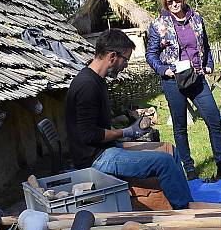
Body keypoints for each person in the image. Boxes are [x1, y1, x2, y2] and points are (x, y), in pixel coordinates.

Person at [65, 29, 192, 209]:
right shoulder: (87, 85)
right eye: (125, 60)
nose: (125, 65)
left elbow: (97, 126)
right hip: (95, 159)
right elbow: (89, 135)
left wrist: (126, 135)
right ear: (112, 56)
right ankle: (186, 211)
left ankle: (187, 200)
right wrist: (126, 132)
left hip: (105, 149)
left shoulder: (97, 80)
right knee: (164, 162)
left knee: (171, 150)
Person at [146, 0, 221, 180]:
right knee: (180, 126)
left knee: (214, 120)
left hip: (197, 77)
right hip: (173, 80)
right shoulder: (158, 25)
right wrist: (163, 69)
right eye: (170, 2)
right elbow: (151, 54)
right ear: (165, 3)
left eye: (178, 0)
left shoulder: (197, 19)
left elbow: (207, 46)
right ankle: (190, 169)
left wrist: (208, 63)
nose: (175, 4)